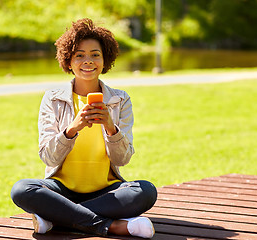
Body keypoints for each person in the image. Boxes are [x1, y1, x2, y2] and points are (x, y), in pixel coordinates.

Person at [11, 18, 157, 238]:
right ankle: (113, 226)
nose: (88, 60)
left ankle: (58, 218)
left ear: (104, 59)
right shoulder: (53, 99)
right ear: (68, 61)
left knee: (145, 192)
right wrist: (72, 129)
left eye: (95, 54)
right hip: (61, 190)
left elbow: (122, 159)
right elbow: (49, 158)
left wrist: (111, 127)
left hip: (107, 191)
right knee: (22, 190)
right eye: (79, 55)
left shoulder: (120, 99)